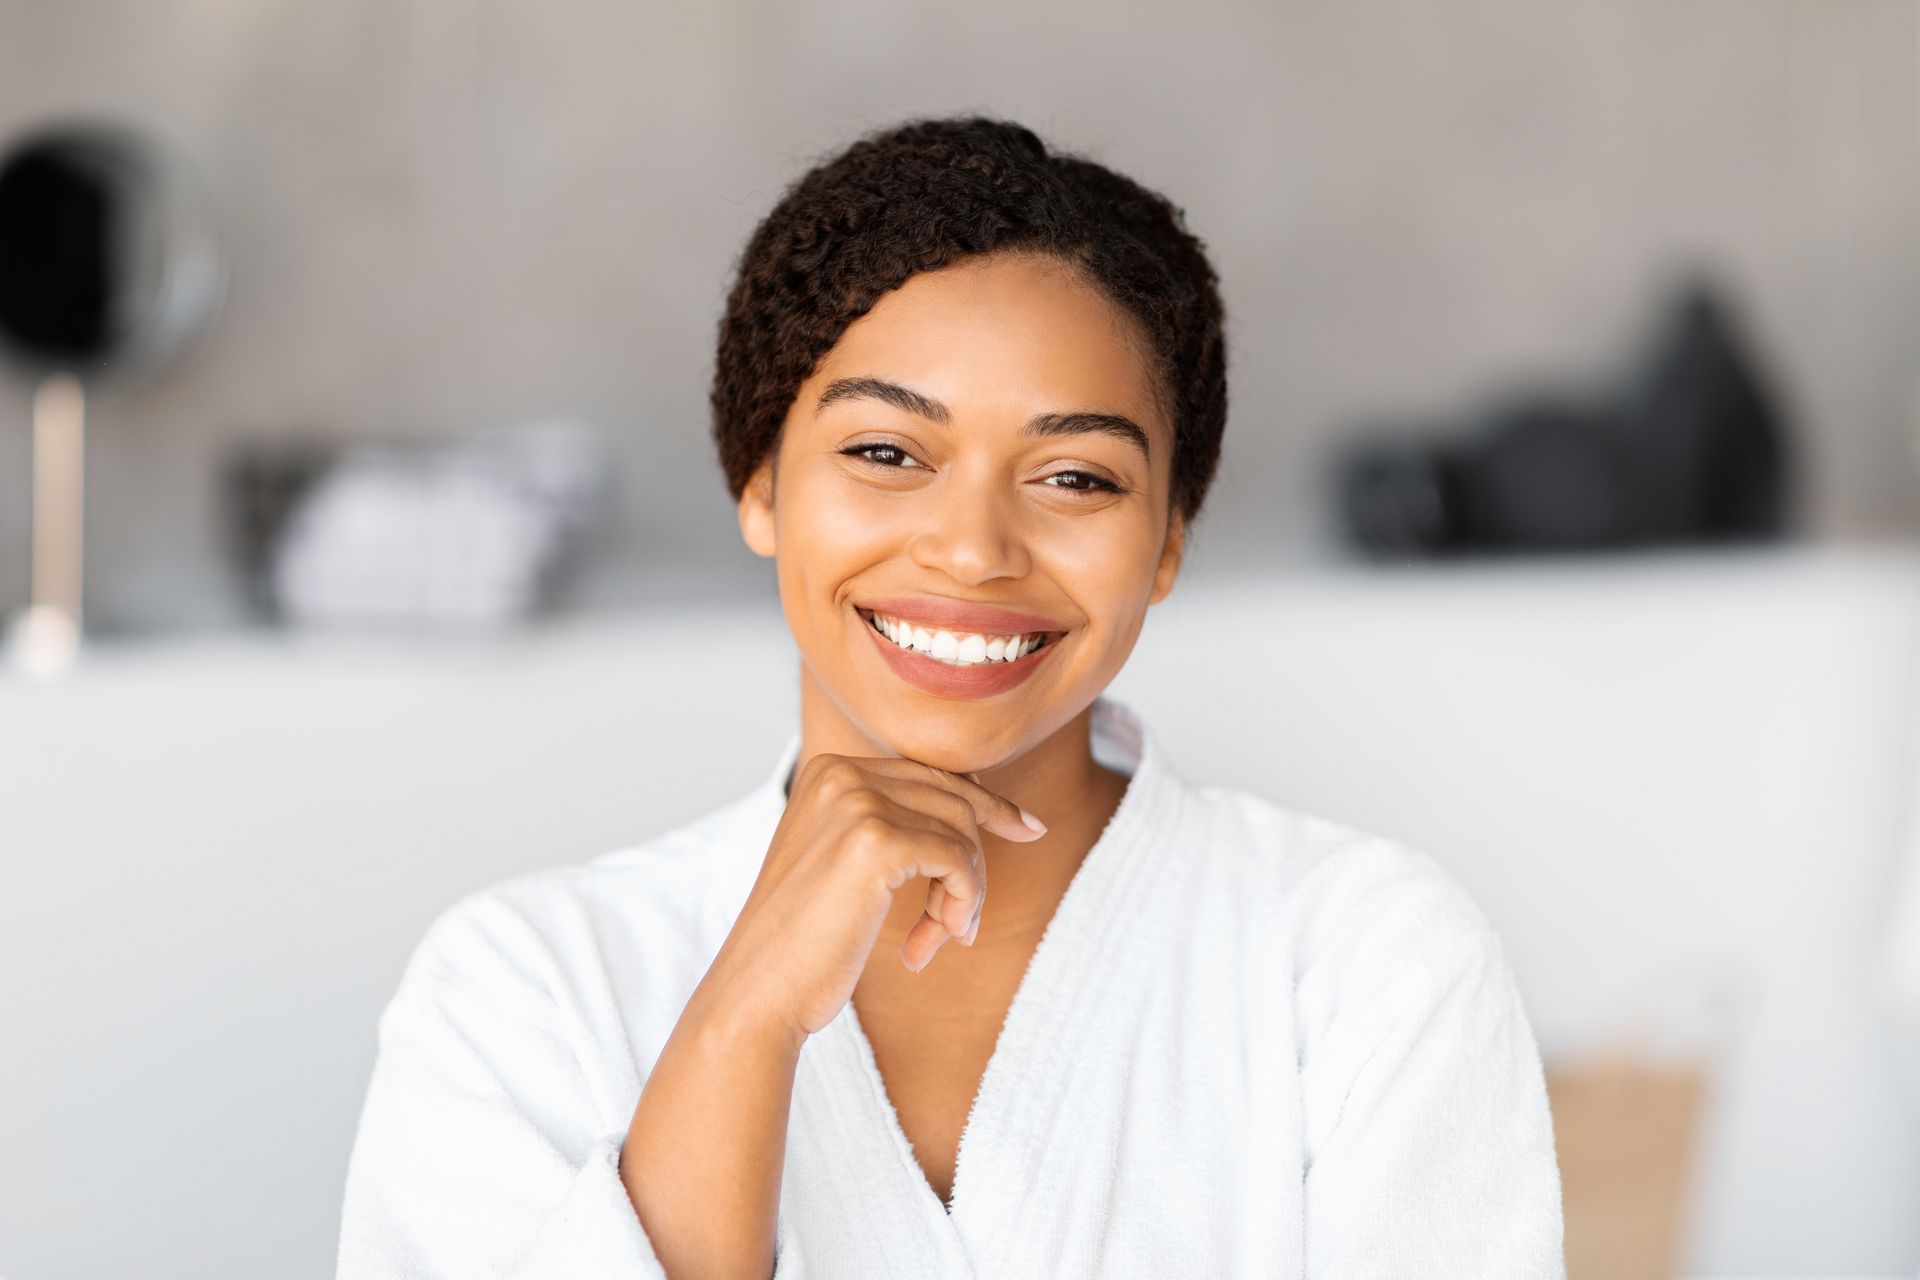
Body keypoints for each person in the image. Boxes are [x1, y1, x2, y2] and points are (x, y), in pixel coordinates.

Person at [336, 115, 1566, 1279]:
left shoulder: (1364, 962)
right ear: (758, 483)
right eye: (885, 453)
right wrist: (740, 1025)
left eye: (1076, 475)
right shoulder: (524, 989)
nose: (972, 549)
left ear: (1169, 541)